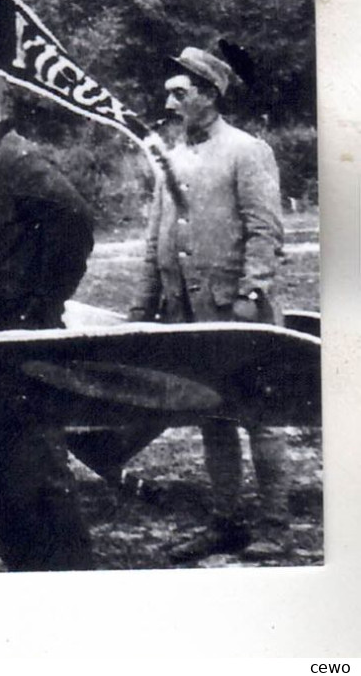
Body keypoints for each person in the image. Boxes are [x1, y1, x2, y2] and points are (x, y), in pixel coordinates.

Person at [131, 46, 287, 563]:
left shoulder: (248, 151)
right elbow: (156, 241)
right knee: (212, 418)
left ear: (210, 96)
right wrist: (142, 308)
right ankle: (227, 522)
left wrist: (250, 294)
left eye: (181, 93)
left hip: (240, 313)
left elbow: (265, 232)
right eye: (169, 94)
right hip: (188, 316)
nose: (170, 103)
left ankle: (275, 525)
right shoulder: (169, 160)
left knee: (259, 416)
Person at [0, 122, 96, 571]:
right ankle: (22, 567)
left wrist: (42, 298)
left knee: (37, 464)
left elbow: (76, 218)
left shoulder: (16, 160)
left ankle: (69, 573)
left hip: (22, 333)